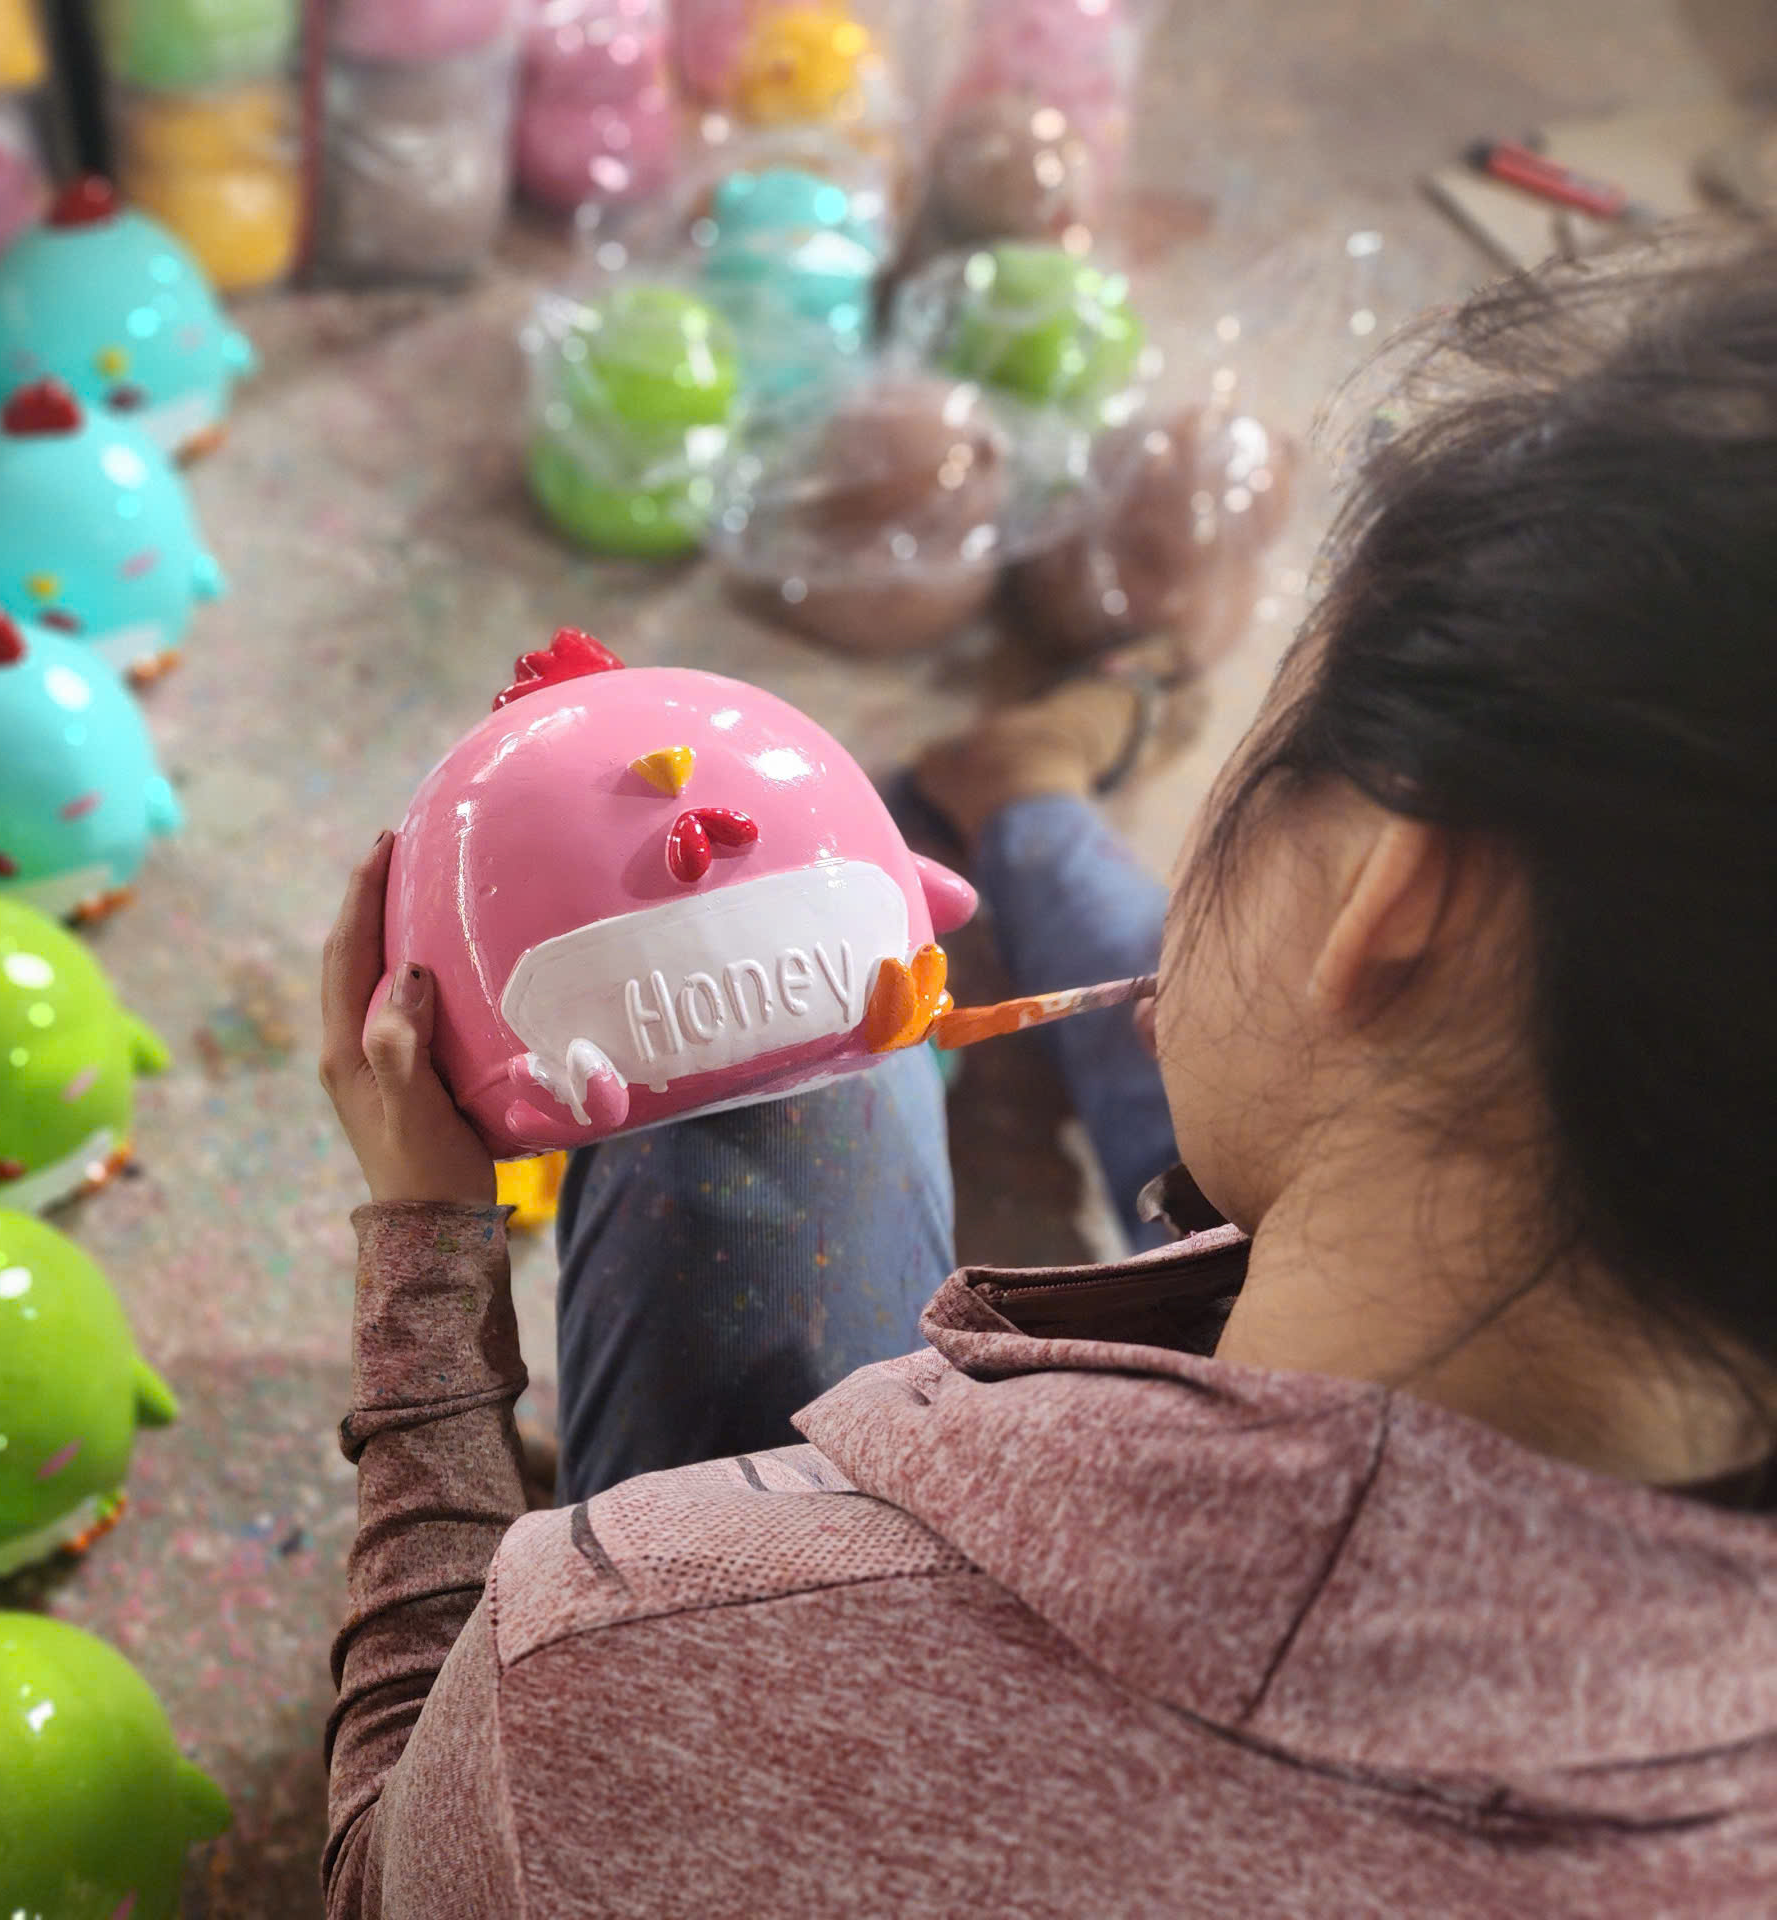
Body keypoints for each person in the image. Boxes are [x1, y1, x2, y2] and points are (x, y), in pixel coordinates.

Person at [315, 233, 1777, 1916]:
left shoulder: (623, 1656)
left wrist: (424, 1254)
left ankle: (1027, 806)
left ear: (1399, 887)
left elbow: (377, 1884)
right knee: (1311, 1063)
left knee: (811, 1071)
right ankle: (1029, 802)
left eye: (1280, 750)